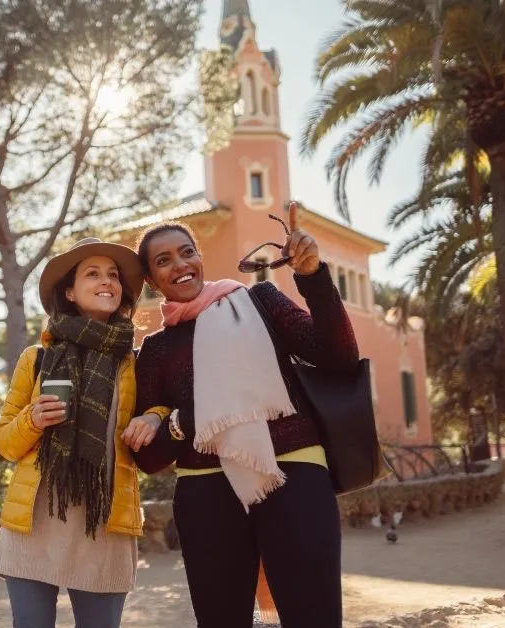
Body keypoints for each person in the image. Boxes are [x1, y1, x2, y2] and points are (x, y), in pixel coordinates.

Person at [121, 202, 359, 627]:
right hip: (205, 492)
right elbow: (149, 458)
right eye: (163, 260)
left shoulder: (260, 302)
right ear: (152, 279)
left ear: (199, 257)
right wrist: (181, 421)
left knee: (314, 616)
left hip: (294, 473)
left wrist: (312, 277)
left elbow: (339, 358)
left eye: (186, 251)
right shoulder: (155, 349)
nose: (180, 264)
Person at [0, 237, 157, 628]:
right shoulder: (37, 359)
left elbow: (158, 410)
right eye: (93, 274)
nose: (107, 282)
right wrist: (33, 420)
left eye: (113, 275)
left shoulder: (135, 363)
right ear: (69, 291)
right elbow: (4, 442)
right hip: (35, 525)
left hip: (104, 524)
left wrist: (154, 417)